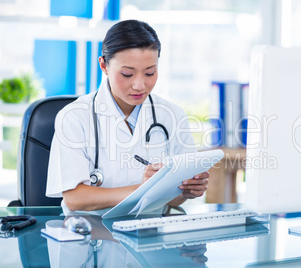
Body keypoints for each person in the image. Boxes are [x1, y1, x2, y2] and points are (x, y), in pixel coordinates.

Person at [46, 20, 209, 211]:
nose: (140, 85)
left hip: (151, 231)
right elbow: (75, 198)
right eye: (127, 74)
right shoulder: (74, 117)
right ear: (104, 66)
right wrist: (145, 189)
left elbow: (173, 200)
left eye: (150, 73)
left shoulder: (172, 115)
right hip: (89, 233)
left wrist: (185, 191)